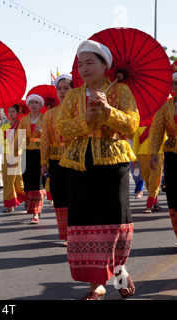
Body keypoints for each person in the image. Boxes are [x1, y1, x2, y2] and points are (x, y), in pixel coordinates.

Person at [55, 40, 139, 300]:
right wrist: (86, 120)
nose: (84, 68)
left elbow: (132, 124)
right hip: (79, 163)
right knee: (84, 222)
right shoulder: (73, 96)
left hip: (113, 163)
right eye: (81, 64)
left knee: (115, 220)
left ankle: (119, 272)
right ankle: (96, 285)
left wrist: (108, 111)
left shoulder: (121, 91)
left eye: (90, 62)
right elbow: (61, 127)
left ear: (105, 65)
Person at [41, 74, 73, 246]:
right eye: (59, 89)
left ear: (73, 90)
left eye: (66, 88)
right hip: (55, 160)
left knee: (74, 196)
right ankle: (66, 234)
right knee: (59, 196)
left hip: (75, 159)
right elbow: (45, 140)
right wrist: (43, 163)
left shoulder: (78, 111)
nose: (62, 92)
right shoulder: (50, 114)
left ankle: (76, 233)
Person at [148, 71, 177, 242]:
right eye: (175, 83)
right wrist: (153, 153)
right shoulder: (165, 107)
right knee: (174, 195)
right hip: (172, 156)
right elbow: (157, 132)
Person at [16, 93, 46, 224]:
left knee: (38, 182)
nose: (33, 104)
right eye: (31, 102)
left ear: (40, 105)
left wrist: (43, 132)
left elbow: (52, 134)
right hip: (27, 152)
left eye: (36, 102)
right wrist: (15, 152)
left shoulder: (45, 118)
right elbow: (19, 136)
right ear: (28, 105)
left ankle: (36, 213)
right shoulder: (23, 120)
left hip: (41, 152)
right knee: (27, 182)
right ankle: (32, 206)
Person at [0, 104, 26, 213]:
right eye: (9, 111)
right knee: (7, 180)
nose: (11, 114)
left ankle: (27, 197)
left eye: (13, 111)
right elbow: (1, 142)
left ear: (18, 113)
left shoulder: (21, 125)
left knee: (18, 179)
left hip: (16, 155)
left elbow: (22, 142)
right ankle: (9, 204)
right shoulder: (4, 127)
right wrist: (9, 136)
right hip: (6, 155)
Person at [132, 126, 164, 212]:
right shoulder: (139, 126)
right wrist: (134, 159)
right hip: (142, 155)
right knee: (147, 180)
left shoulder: (159, 124)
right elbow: (135, 142)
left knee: (155, 180)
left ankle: (149, 205)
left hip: (157, 154)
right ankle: (155, 201)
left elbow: (164, 140)